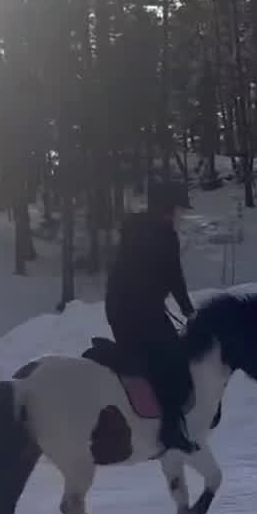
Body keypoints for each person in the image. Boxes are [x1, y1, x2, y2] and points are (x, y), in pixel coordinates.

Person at [104, 180, 198, 455]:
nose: (179, 216)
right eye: (178, 209)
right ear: (167, 209)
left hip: (120, 310)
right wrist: (189, 311)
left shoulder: (134, 229)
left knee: (148, 359)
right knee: (174, 361)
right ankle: (170, 431)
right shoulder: (163, 235)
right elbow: (173, 277)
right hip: (141, 312)